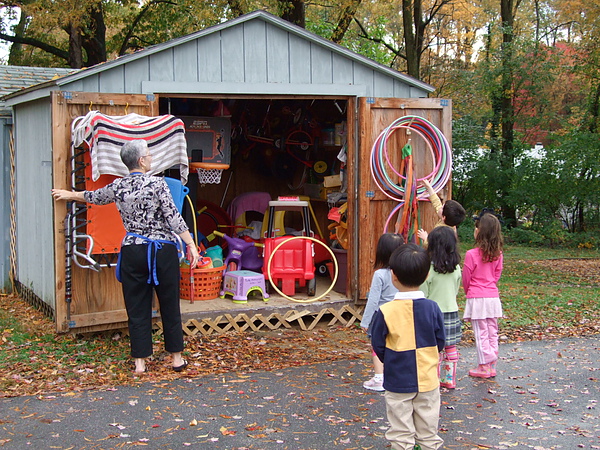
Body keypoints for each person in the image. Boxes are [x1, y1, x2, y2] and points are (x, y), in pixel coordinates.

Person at [51, 139, 200, 374]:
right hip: (162, 251)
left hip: (133, 250)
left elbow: (94, 197)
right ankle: (176, 359)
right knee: (170, 304)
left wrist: (68, 194)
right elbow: (174, 218)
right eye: (149, 154)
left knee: (136, 305)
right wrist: (191, 244)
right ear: (141, 160)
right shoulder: (158, 185)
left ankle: (140, 362)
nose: (151, 157)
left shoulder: (118, 186)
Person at [371, 244, 445, 450]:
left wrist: (393, 360)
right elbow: (440, 340)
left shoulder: (385, 311)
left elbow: (378, 344)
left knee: (401, 432)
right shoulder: (433, 308)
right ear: (427, 274)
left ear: (393, 276)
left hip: (398, 378)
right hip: (428, 378)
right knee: (428, 431)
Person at [360, 233, 405, 391]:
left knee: (377, 345)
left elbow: (373, 301)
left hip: (382, 315)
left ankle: (379, 377)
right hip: (400, 314)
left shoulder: (380, 274)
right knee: (397, 345)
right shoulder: (404, 273)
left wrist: (365, 322)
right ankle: (396, 376)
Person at [462, 212, 504, 378]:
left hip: (477, 296)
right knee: (492, 330)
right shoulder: (498, 254)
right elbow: (496, 275)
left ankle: (484, 364)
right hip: (492, 296)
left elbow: (466, 277)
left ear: (480, 232)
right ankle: (491, 363)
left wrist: (469, 292)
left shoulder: (471, 254)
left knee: (481, 333)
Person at [420, 226, 462, 389]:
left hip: (432, 313)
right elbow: (456, 288)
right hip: (452, 311)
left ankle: (434, 379)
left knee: (433, 348)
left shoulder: (428, 269)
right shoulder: (456, 267)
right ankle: (449, 378)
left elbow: (424, 293)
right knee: (450, 346)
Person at [417, 178, 466, 244]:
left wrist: (425, 238)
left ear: (444, 217)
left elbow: (432, 245)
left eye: (442, 207)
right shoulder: (449, 222)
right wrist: (429, 187)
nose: (440, 206)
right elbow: (436, 203)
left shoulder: (441, 232)